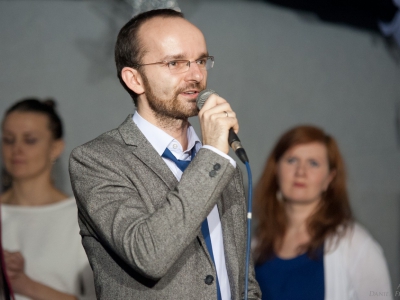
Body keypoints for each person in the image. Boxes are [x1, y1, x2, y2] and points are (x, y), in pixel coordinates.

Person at [69, 8, 261, 300]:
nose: (196, 75)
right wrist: (211, 156)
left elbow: (242, 277)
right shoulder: (97, 160)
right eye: (175, 62)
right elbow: (148, 255)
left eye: (200, 60)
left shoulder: (221, 161)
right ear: (135, 79)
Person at [252, 125, 393, 300]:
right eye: (292, 160)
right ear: (276, 170)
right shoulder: (257, 244)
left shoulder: (356, 244)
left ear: (329, 178)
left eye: (313, 163)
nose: (300, 172)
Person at [1, 99, 96, 300]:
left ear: (55, 147)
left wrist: (23, 284)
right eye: (9, 139)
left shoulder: (80, 219)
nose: (17, 149)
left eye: (30, 140)